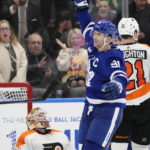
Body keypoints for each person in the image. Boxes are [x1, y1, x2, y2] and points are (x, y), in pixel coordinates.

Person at [73, 0, 128, 150]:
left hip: (108, 109)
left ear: (109, 38)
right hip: (90, 105)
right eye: (95, 33)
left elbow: (120, 75)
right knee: (85, 147)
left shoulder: (113, 55)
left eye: (98, 34)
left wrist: (117, 84)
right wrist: (82, 7)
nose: (94, 36)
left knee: (93, 148)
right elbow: (86, 24)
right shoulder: (94, 44)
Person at [111, 18, 150, 150]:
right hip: (144, 103)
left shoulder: (112, 52)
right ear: (135, 32)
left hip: (121, 103)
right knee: (141, 146)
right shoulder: (147, 49)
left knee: (118, 145)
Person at [26, 33, 58, 97]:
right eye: (33, 43)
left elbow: (54, 71)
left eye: (38, 43)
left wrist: (50, 73)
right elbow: (23, 69)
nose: (36, 45)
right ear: (28, 45)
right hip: (29, 86)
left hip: (44, 85)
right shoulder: (24, 56)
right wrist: (36, 66)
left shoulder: (45, 56)